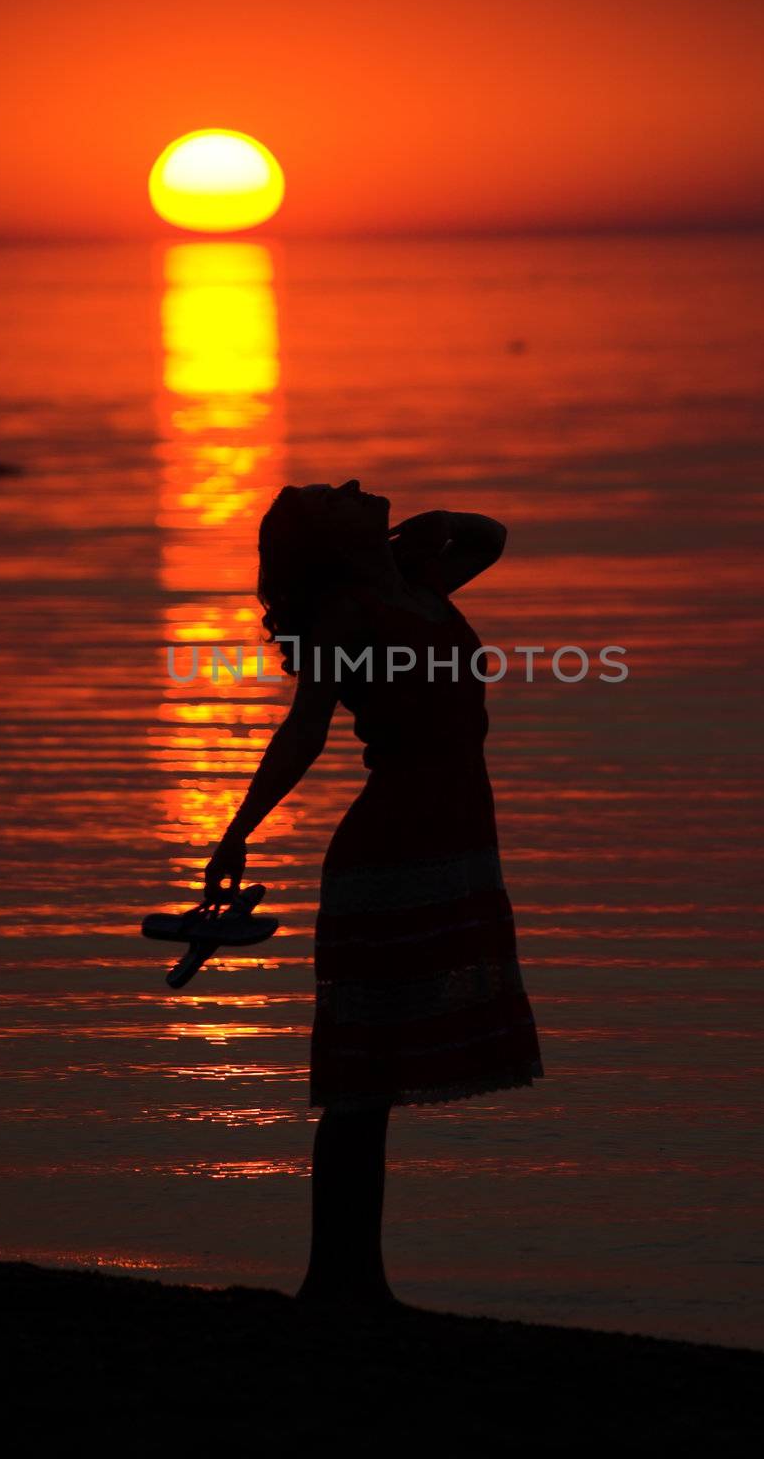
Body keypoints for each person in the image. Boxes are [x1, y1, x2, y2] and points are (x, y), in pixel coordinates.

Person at [205, 479, 545, 1309]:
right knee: (365, 1078)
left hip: (455, 833)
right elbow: (305, 729)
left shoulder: (417, 584)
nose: (358, 486)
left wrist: (439, 526)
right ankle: (335, 1279)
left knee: (382, 1081)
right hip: (392, 844)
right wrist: (239, 829)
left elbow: (491, 535)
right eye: (338, 495)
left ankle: (358, 1279)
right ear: (331, 538)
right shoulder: (349, 616)